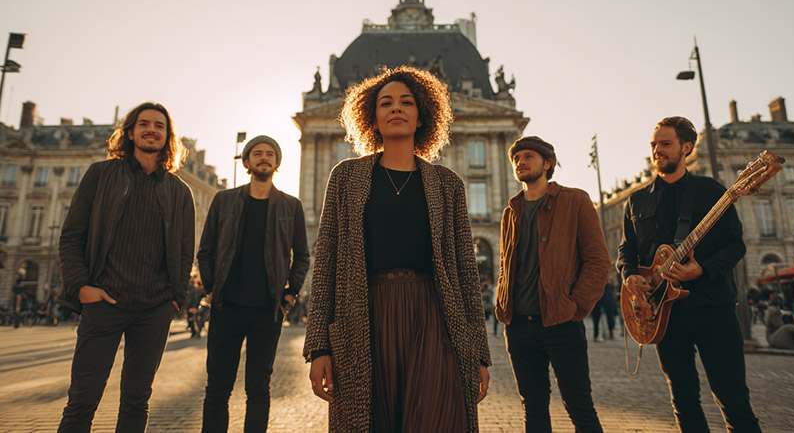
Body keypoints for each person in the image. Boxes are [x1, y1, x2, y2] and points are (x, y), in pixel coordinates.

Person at [303, 66, 491, 432]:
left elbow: (467, 274)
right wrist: (319, 347)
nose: (396, 109)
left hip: (434, 315)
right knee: (374, 421)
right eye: (385, 103)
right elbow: (325, 265)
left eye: (407, 102)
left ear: (423, 116)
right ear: (371, 118)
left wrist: (479, 353)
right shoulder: (345, 177)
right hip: (365, 314)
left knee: (437, 418)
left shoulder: (447, 183)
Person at [57, 102, 195, 432]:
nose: (152, 129)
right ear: (130, 132)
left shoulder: (180, 191)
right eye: (144, 124)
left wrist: (174, 298)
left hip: (154, 309)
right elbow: (71, 236)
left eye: (159, 126)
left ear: (168, 136)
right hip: (104, 302)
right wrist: (82, 287)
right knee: (82, 400)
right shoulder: (100, 175)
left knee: (136, 402)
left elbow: (184, 252)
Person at [617, 116, 761, 432]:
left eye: (665, 144)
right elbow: (626, 251)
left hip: (712, 308)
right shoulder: (637, 200)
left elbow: (735, 245)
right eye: (654, 145)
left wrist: (703, 269)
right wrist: (630, 276)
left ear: (686, 147)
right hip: (664, 315)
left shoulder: (712, 192)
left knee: (733, 400)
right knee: (683, 402)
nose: (657, 151)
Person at [495, 136, 609, 432]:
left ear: (548, 164)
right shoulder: (511, 211)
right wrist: (502, 304)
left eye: (528, 156)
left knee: (579, 406)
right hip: (518, 325)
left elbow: (598, 261)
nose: (521, 162)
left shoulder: (575, 200)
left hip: (560, 322)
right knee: (533, 410)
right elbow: (506, 266)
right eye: (517, 159)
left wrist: (575, 306)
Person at [197, 135, 310, 432]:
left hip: (267, 311)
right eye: (257, 153)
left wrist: (290, 293)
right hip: (227, 307)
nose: (264, 157)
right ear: (246, 162)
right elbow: (205, 250)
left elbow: (302, 256)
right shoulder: (224, 200)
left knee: (258, 389)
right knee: (217, 388)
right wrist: (210, 288)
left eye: (270, 153)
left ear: (277, 163)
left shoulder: (291, 206)